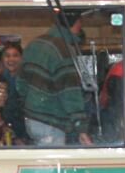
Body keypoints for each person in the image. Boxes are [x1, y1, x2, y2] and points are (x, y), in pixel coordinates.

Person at [17, 10, 92, 146]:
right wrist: (81, 127)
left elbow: (21, 83)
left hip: (31, 119)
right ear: (77, 23)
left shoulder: (33, 44)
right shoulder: (63, 49)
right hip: (51, 121)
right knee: (52, 165)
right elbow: (69, 92)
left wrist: (29, 104)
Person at [0, 41, 28, 143]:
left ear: (21, 59)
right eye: (7, 56)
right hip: (3, 131)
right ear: (2, 59)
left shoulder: (27, 80)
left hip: (26, 131)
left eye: (15, 55)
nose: (11, 59)